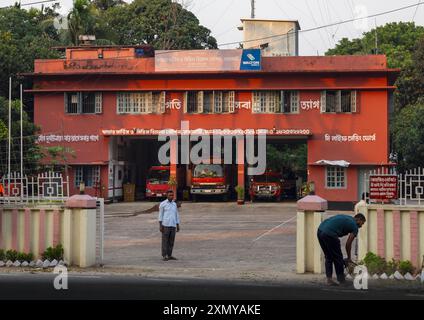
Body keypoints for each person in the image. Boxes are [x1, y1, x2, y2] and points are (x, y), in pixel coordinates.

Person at [317, 213, 366, 286]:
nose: (361, 226)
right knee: (338, 257)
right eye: (362, 223)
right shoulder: (355, 226)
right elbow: (348, 244)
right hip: (330, 234)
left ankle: (329, 279)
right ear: (358, 219)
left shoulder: (348, 218)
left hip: (320, 230)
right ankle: (341, 280)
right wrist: (349, 258)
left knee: (328, 256)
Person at [158, 190, 180, 261]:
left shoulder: (174, 204)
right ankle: (164, 255)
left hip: (173, 225)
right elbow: (160, 215)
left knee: (171, 241)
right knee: (165, 241)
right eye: (170, 195)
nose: (171, 196)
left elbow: (176, 215)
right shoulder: (163, 204)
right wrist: (160, 226)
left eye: (172, 195)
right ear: (167, 196)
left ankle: (169, 255)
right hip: (165, 225)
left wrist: (178, 224)